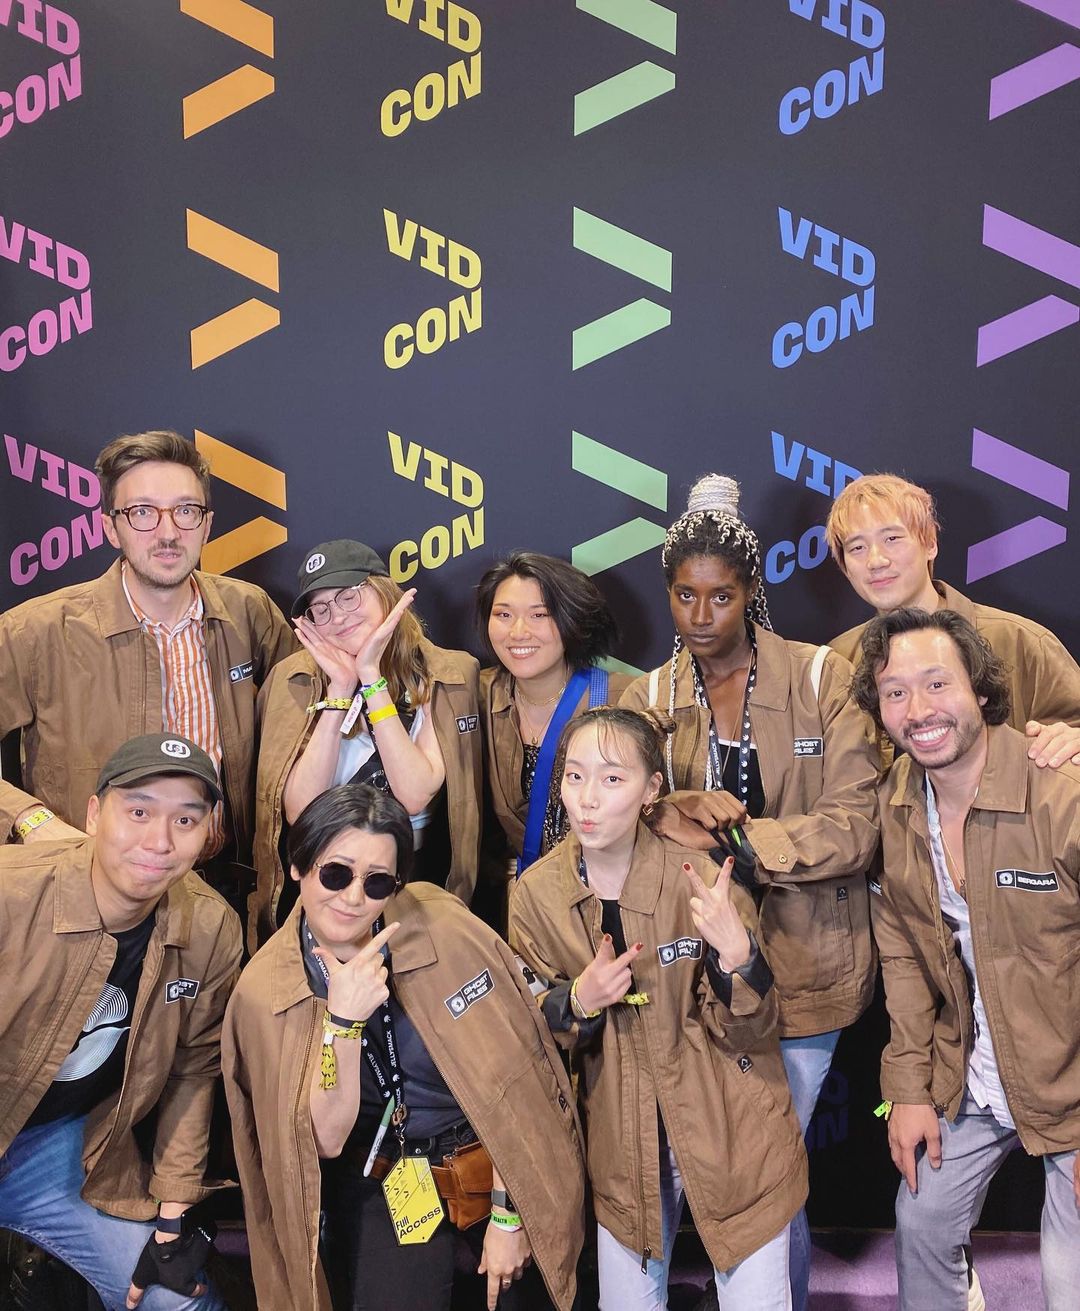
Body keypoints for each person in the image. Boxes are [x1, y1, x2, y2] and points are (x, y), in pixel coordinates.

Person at [619, 475, 879, 1311]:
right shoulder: (647, 696)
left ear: (750, 591)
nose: (701, 615)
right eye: (684, 594)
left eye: (721, 596)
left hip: (808, 972)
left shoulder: (821, 675)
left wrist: (738, 838)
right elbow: (614, 822)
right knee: (725, 1165)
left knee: (770, 1163)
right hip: (691, 977)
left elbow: (855, 825)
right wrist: (665, 806)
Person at [223, 783, 586, 1311]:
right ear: (298, 867)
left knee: (528, 1292)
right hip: (382, 1173)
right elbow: (323, 1140)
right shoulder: (265, 993)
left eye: (377, 882)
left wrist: (511, 1214)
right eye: (335, 874)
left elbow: (518, 1078)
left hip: (494, 1156)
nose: (353, 899)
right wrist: (344, 1023)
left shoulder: (444, 925)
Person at [510, 706, 807, 1311]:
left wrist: (737, 956)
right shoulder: (536, 894)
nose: (588, 798)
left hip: (734, 1136)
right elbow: (528, 1036)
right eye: (575, 776)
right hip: (621, 1155)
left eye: (612, 779)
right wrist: (578, 1001)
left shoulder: (699, 877)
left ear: (652, 791)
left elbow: (752, 1027)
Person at [850, 607, 1080, 1311]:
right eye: (895, 692)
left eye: (936, 683)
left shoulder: (1061, 792)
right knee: (920, 1222)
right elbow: (904, 956)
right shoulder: (895, 804)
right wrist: (909, 1088)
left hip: (1072, 1082)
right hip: (974, 1077)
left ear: (979, 688)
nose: (918, 710)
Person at [0, 733, 243, 1311]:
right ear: (93, 814)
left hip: (56, 1144)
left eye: (185, 820)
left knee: (174, 1300)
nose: (159, 841)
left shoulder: (210, 929)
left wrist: (173, 1214)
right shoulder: (14, 893)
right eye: (138, 812)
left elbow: (193, 1071)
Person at [0, 430, 296, 869]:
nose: (168, 533)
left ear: (207, 525)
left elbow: (307, 724)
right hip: (94, 884)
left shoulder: (249, 611)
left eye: (186, 511)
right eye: (142, 512)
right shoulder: (35, 631)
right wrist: (29, 820)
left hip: (229, 883)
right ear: (111, 527)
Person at [252, 540, 482, 947]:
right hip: (324, 881)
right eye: (320, 609)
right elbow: (301, 811)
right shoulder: (292, 679)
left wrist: (371, 677)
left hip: (414, 883)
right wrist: (340, 690)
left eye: (348, 596)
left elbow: (414, 795)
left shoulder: (448, 672)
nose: (337, 616)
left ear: (384, 591)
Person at [826, 472, 1080, 767]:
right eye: (857, 548)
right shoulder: (836, 661)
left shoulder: (1020, 642)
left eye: (892, 539)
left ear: (929, 543)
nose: (876, 561)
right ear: (844, 566)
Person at [476, 551, 631, 876]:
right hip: (517, 892)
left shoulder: (624, 698)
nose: (518, 631)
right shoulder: (475, 695)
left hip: (604, 887)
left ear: (570, 618)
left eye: (539, 615)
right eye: (503, 614)